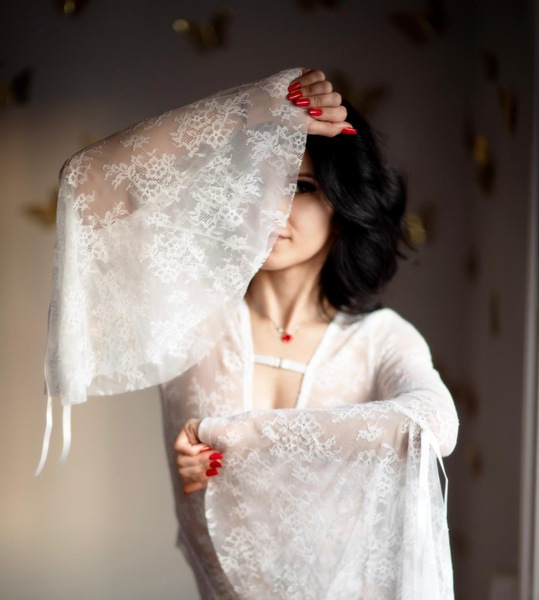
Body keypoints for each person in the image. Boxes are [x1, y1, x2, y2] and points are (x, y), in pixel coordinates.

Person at [42, 68, 458, 599]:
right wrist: (255, 108)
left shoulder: (381, 340)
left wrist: (238, 439)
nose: (273, 204)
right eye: (258, 180)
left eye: (301, 186)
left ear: (342, 202)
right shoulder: (190, 316)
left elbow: (433, 425)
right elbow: (86, 180)